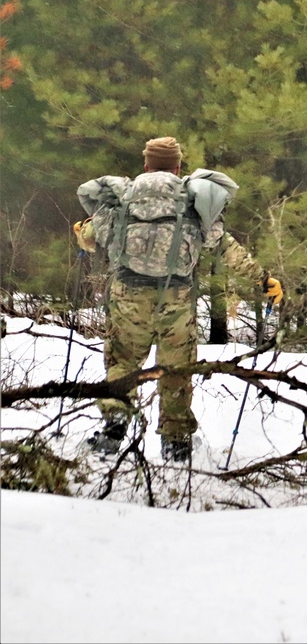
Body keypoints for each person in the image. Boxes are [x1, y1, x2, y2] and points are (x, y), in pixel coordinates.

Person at [74, 136, 282, 463]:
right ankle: (176, 443)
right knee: (176, 370)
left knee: (123, 362)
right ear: (178, 166)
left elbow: (90, 238)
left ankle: (114, 431)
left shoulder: (124, 198)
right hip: (176, 301)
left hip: (128, 297)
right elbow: (225, 246)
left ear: (145, 165)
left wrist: (82, 231)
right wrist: (263, 278)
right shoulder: (192, 199)